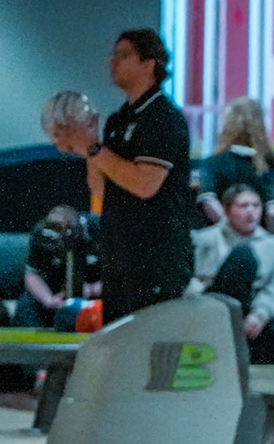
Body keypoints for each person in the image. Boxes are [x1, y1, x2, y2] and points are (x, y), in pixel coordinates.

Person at [44, 31, 195, 324]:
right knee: (120, 344)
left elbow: (145, 184)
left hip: (156, 259)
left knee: (151, 344)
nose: (112, 62)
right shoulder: (118, 119)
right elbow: (100, 188)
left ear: (148, 64)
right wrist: (88, 145)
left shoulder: (163, 117)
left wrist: (94, 149)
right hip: (119, 257)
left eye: (123, 55)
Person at [190, 185, 274, 363]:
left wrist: (260, 315)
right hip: (213, 304)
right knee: (243, 258)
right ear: (227, 210)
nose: (251, 211)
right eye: (243, 206)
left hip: (257, 307)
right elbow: (191, 280)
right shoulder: (203, 239)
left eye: (256, 206)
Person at [195, 97, 274, 233]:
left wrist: (231, 231)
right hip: (257, 238)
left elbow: (209, 201)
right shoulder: (268, 163)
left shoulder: (214, 162)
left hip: (220, 238)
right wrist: (265, 238)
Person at [16, 205, 102, 328]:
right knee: (27, 305)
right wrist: (49, 299)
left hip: (95, 290)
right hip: (56, 290)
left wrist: (92, 289)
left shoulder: (100, 229)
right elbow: (32, 274)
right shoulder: (40, 233)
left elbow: (121, 276)